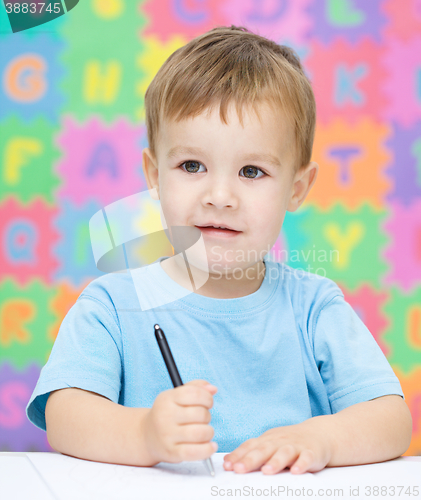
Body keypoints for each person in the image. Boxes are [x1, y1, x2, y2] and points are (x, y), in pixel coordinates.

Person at [26, 25, 412, 475]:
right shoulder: (112, 306)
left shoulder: (314, 309)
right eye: (192, 165)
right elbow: (66, 415)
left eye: (252, 171)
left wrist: (321, 438)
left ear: (297, 188)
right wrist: (144, 433)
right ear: (154, 174)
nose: (220, 195)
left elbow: (392, 420)